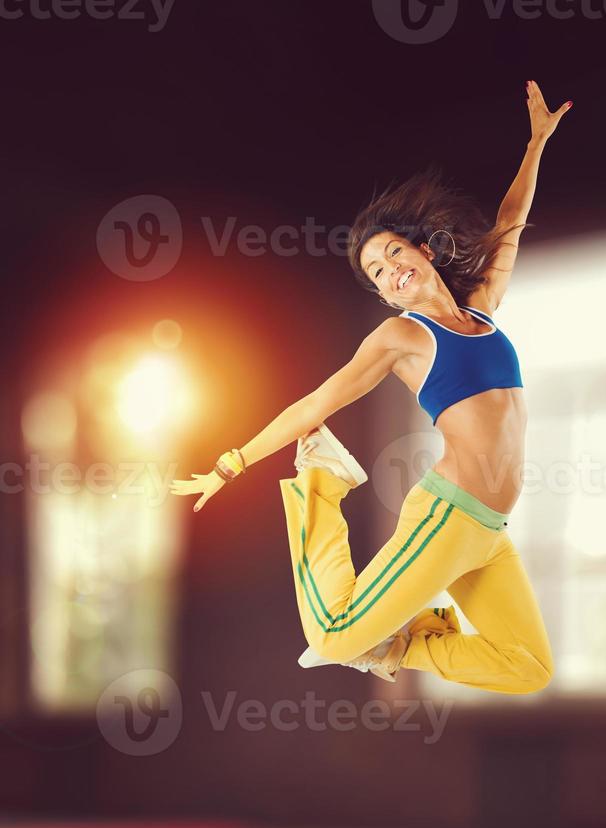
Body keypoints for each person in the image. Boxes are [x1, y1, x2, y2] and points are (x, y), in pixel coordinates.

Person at [170, 80, 573, 693]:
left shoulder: (484, 310)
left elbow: (511, 221)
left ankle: (402, 643)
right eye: (378, 273)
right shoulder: (400, 337)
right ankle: (320, 488)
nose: (391, 271)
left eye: (392, 253)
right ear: (385, 294)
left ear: (425, 250)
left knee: (529, 668)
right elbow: (315, 402)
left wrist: (536, 142)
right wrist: (230, 464)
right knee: (331, 638)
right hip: (447, 517)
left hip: (488, 530)